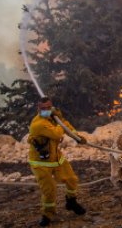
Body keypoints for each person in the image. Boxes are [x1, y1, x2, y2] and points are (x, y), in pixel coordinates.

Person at [28, 97, 88, 226]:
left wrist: (77, 137)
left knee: (72, 179)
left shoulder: (51, 118)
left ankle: (71, 202)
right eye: (43, 108)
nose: (46, 110)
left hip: (56, 157)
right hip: (41, 163)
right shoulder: (38, 124)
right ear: (38, 108)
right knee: (49, 190)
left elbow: (66, 125)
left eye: (49, 108)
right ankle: (47, 215)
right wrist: (58, 118)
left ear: (51, 106)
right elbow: (57, 134)